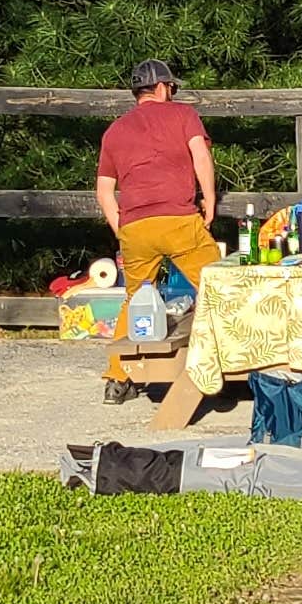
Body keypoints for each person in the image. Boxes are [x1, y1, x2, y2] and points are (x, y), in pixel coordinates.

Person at [94, 59, 220, 389]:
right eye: (172, 88)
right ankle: (237, 363)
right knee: (219, 287)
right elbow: (201, 157)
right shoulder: (183, 115)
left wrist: (121, 228)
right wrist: (209, 199)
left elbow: (104, 189)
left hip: (135, 227)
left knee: (135, 298)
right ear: (163, 87)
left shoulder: (114, 131)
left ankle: (117, 378)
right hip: (178, 219)